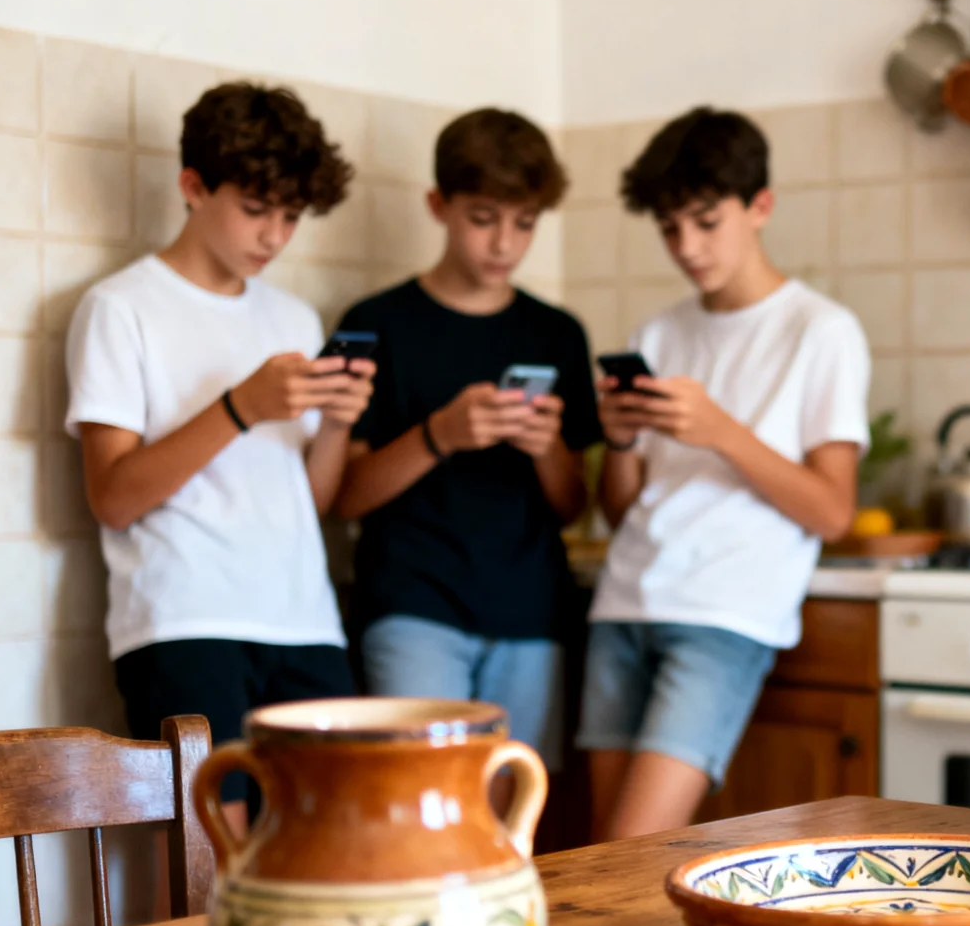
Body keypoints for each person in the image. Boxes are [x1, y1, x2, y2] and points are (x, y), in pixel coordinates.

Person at [66, 82, 369, 842]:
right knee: (216, 875)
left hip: (304, 621)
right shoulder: (120, 308)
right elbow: (112, 495)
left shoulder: (293, 317)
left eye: (291, 216)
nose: (273, 235)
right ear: (193, 187)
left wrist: (336, 424)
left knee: (325, 858)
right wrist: (240, 405)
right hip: (183, 617)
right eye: (256, 208)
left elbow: (313, 497)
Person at [582, 107, 870, 840]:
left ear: (760, 206)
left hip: (723, 614)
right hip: (623, 606)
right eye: (670, 228)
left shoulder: (820, 331)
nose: (687, 246)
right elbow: (620, 510)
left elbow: (833, 511)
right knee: (598, 865)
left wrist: (721, 432)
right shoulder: (658, 332)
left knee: (630, 850)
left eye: (706, 222)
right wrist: (617, 441)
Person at [332, 109, 598, 773]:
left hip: (530, 613)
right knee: (420, 805)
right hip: (412, 604)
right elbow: (346, 497)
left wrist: (545, 449)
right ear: (438, 205)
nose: (504, 242)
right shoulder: (377, 325)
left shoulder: (557, 333)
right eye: (484, 218)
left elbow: (572, 505)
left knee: (512, 818)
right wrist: (438, 434)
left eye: (525, 222)